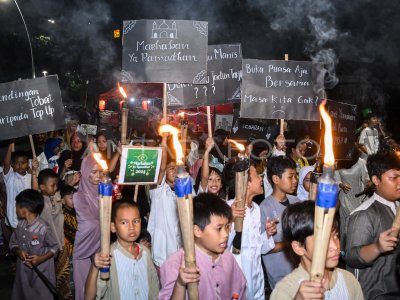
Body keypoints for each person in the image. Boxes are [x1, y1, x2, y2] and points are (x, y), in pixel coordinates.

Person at [159, 193, 247, 299]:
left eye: (227, 226)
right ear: (197, 231)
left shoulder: (229, 259)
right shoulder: (174, 264)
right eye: (219, 228)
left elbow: (240, 292)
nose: (226, 234)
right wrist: (180, 284)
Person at [270, 201, 363, 300]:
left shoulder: (348, 280)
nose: (335, 246)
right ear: (299, 247)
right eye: (324, 239)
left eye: (335, 236)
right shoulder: (284, 292)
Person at [345, 151, 400, 299]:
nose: (399, 182)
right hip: (376, 294)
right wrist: (377, 247)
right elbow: (352, 257)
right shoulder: (364, 214)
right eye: (394, 178)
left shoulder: (396, 206)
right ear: (376, 180)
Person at [84, 200, 159, 300]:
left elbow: (154, 286)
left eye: (136, 221)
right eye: (124, 222)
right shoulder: (108, 256)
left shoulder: (145, 252)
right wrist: (94, 266)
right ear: (113, 227)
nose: (132, 227)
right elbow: (89, 297)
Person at [228, 164, 277, 299]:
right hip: (236, 279)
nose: (261, 179)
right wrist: (229, 220)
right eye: (257, 176)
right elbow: (220, 248)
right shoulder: (229, 208)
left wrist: (267, 234)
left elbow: (257, 248)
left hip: (256, 279)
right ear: (245, 183)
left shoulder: (256, 208)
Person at [9, 189, 59, 300]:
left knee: (41, 295)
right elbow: (13, 243)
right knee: (23, 293)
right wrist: (18, 251)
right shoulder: (21, 225)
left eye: (16, 206)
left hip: (42, 272)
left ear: (23, 211)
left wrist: (41, 259)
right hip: (23, 272)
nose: (15, 209)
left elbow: (55, 247)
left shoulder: (43, 228)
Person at [260, 156, 300, 288]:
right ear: (276, 179)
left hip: (299, 271)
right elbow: (264, 247)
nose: (295, 181)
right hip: (280, 277)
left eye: (296, 176)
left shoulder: (296, 202)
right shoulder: (265, 208)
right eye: (290, 177)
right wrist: (291, 244)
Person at [147, 134, 182, 268]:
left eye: (177, 168)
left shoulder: (183, 192)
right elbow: (161, 167)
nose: (175, 171)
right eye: (171, 168)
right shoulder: (158, 191)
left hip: (179, 252)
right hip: (161, 253)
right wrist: (164, 140)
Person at [73, 154, 102, 300]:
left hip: (100, 248)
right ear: (85, 172)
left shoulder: (103, 192)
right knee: (85, 289)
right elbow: (90, 224)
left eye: (100, 172)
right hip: (85, 249)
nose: (98, 176)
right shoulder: (79, 196)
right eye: (94, 172)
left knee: (101, 289)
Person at [32, 167, 64, 250]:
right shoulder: (43, 205)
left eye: (57, 184)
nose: (56, 187)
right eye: (53, 185)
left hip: (59, 239)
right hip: (51, 244)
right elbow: (51, 228)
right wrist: (59, 247)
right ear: (42, 187)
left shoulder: (55, 195)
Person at [3, 143, 32, 229]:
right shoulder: (10, 177)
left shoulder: (30, 177)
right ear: (12, 165)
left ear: (28, 164)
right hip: (13, 218)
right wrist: (10, 145)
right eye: (17, 163)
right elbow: (6, 163)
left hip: (28, 217)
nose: (20, 166)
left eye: (23, 163)